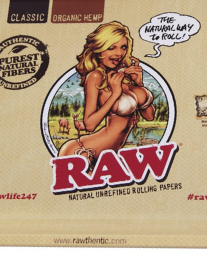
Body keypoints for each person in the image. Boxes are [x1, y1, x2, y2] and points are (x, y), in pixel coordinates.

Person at [58, 21, 154, 168]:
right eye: (111, 47)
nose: (119, 53)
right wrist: (115, 94)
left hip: (109, 155)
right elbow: (90, 125)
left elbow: (149, 116)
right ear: (99, 49)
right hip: (83, 151)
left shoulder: (124, 76)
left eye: (123, 47)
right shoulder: (95, 77)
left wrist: (139, 84)